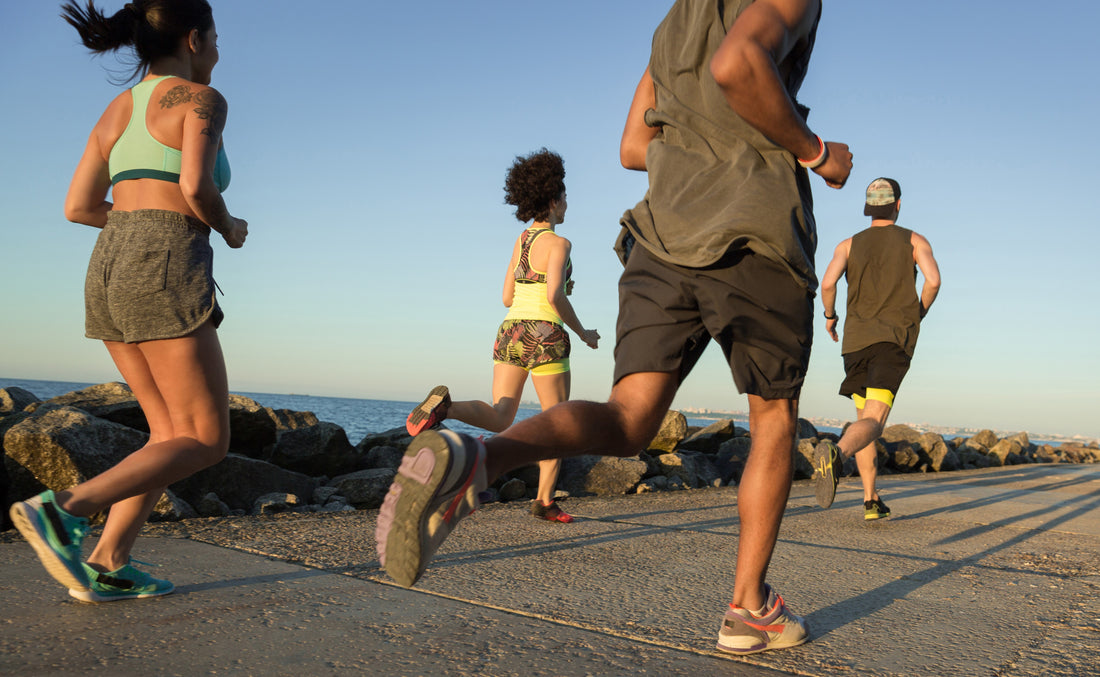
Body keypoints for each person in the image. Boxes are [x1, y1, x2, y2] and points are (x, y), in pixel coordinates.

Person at [376, 0, 852, 655]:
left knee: (627, 418)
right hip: (755, 237)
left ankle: (477, 457)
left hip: (660, 237)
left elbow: (632, 147)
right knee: (772, 417)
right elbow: (739, 62)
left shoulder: (673, 23)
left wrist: (696, 147)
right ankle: (748, 608)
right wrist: (814, 150)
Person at [9, 0, 247, 603]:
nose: (218, 51)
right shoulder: (201, 100)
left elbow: (79, 207)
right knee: (205, 438)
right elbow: (194, 185)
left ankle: (111, 560)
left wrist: (138, 223)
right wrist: (229, 226)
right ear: (193, 39)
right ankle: (64, 510)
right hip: (166, 258)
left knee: (167, 433)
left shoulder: (117, 109)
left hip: (110, 260)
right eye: (216, 39)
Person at [405, 149, 600, 523]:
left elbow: (508, 296)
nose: (567, 205)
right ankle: (544, 501)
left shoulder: (522, 240)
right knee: (556, 422)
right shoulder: (560, 244)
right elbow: (554, 296)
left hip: (511, 331)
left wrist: (551, 287)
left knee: (501, 414)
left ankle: (447, 408)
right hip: (544, 334)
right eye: (565, 198)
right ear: (554, 201)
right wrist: (585, 332)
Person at [813, 177, 941, 518]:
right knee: (875, 420)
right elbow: (933, 280)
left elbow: (827, 283)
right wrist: (918, 313)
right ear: (898, 204)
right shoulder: (914, 240)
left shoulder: (847, 245)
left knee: (863, 419)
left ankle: (871, 500)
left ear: (868, 207)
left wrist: (830, 316)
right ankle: (835, 453)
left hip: (855, 344)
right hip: (891, 341)